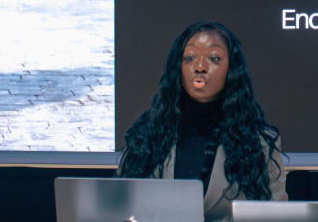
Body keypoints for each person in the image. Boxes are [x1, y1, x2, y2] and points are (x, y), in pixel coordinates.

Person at [118, 21, 287, 221]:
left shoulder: (260, 142)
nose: (199, 67)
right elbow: (122, 210)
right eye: (189, 58)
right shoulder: (146, 134)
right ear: (178, 68)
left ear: (231, 70)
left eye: (214, 58)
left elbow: (276, 216)